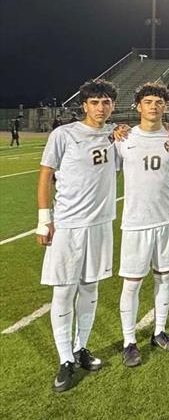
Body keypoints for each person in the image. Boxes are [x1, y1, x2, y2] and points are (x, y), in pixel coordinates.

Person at [37, 79, 119, 392]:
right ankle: (65, 359)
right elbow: (46, 175)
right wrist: (44, 220)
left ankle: (81, 347)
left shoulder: (115, 135)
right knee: (63, 292)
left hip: (100, 224)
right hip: (68, 225)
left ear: (113, 105)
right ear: (84, 105)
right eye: (95, 102)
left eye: (106, 102)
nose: (101, 108)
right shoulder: (64, 134)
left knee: (89, 288)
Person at [116, 83, 169, 366]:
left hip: (167, 218)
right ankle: (129, 341)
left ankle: (159, 332)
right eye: (148, 101)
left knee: (164, 276)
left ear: (165, 106)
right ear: (138, 106)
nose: (153, 106)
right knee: (132, 283)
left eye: (158, 102)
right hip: (136, 222)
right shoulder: (122, 138)